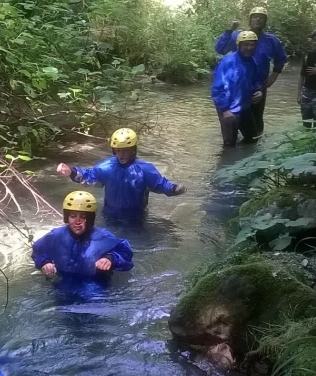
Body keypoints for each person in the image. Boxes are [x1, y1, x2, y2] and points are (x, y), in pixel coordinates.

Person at [56, 128, 186, 218]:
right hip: (109, 214)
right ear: (114, 150)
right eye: (118, 150)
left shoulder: (145, 169)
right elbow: (88, 177)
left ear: (133, 150)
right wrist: (71, 172)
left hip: (136, 216)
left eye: (125, 150)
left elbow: (161, 185)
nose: (121, 154)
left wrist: (174, 189)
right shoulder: (106, 167)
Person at [215, 7, 288, 134]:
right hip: (238, 86)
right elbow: (220, 49)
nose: (258, 19)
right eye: (255, 16)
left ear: (265, 21)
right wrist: (229, 30)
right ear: (250, 19)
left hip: (258, 87)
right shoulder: (239, 36)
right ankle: (232, 144)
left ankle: (255, 146)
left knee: (256, 120)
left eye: (261, 17)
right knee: (233, 119)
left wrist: (274, 76)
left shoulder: (272, 40)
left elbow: (281, 58)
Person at [31, 191, 134, 280]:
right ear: (67, 218)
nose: (77, 222)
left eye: (83, 217)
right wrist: (44, 263)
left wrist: (109, 258)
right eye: (73, 216)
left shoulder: (103, 237)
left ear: (90, 219)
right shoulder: (56, 235)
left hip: (96, 286)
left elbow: (126, 255)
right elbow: (38, 251)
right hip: (63, 284)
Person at [211, 31, 263, 147]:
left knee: (252, 139)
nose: (249, 48)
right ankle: (228, 163)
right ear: (239, 45)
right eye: (246, 45)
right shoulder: (228, 62)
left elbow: (254, 81)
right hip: (228, 108)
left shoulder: (252, 62)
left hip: (244, 106)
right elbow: (217, 89)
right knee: (229, 145)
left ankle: (245, 162)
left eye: (252, 45)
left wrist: (258, 91)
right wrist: (225, 110)